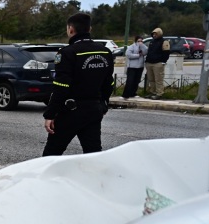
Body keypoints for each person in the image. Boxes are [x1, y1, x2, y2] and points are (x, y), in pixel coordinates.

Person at [42, 13, 115, 156]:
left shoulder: (67, 53)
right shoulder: (105, 51)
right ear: (89, 29)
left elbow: (61, 87)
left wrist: (50, 114)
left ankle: (44, 179)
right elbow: (109, 83)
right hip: (94, 110)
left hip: (70, 112)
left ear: (70, 29)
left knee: (51, 155)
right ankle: (95, 178)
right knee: (93, 153)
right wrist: (103, 103)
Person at [144, 28, 170, 100]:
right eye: (153, 34)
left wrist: (163, 62)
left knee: (158, 79)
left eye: (156, 34)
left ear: (159, 34)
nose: (154, 35)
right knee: (151, 79)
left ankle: (159, 93)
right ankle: (153, 92)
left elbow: (166, 53)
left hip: (158, 63)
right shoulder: (152, 42)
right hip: (149, 62)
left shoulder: (164, 42)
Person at [122, 36, 149, 100]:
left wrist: (142, 46)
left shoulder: (143, 46)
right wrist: (137, 55)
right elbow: (128, 54)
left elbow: (146, 52)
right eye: (138, 41)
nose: (140, 42)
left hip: (140, 66)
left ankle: (133, 93)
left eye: (141, 41)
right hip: (132, 66)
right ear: (136, 41)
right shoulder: (131, 47)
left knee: (136, 81)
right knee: (130, 81)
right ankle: (126, 94)